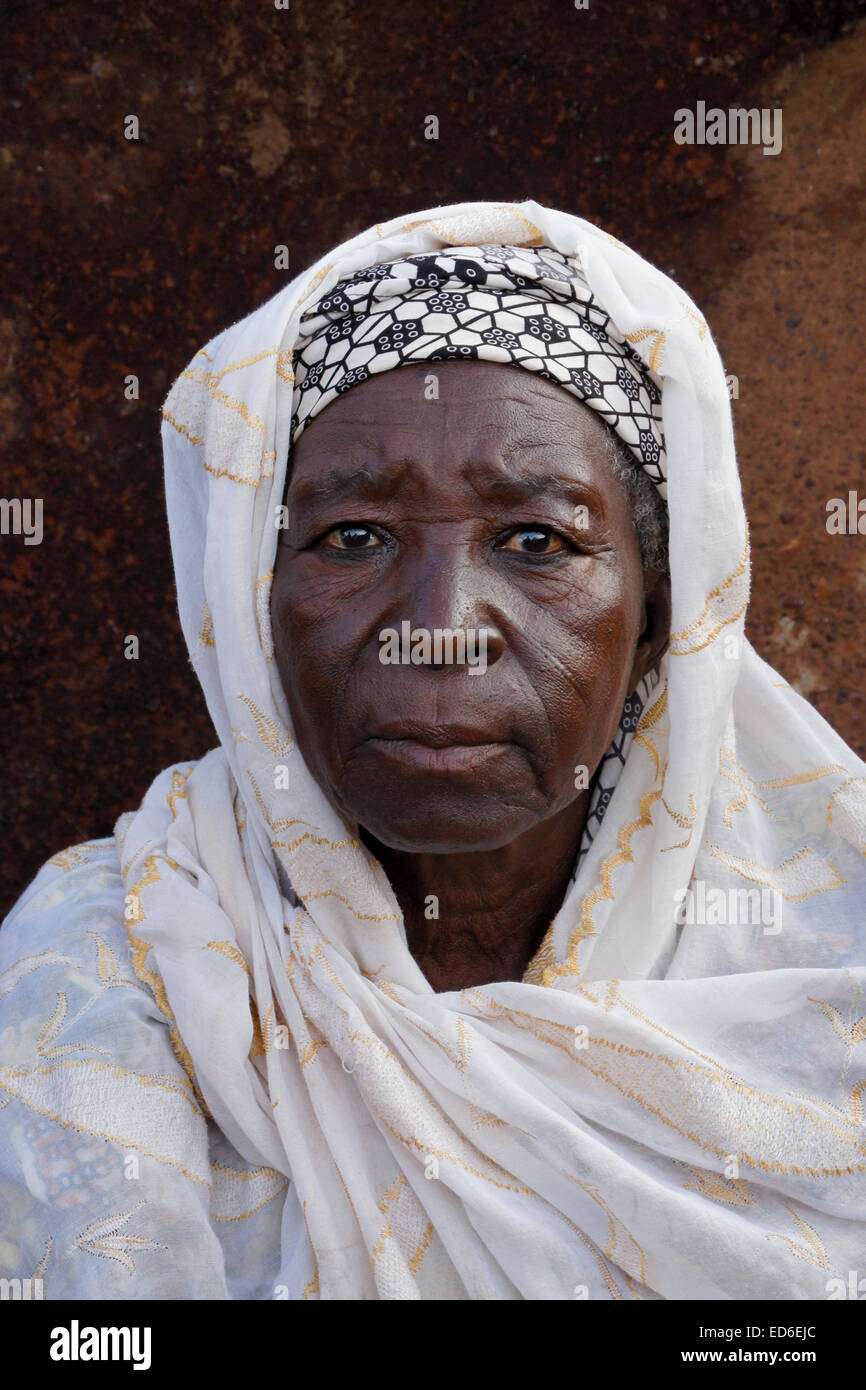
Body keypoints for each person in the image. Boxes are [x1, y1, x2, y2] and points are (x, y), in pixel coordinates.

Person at [1, 200, 864, 1300]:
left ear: (657, 619)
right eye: (352, 537)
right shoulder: (104, 968)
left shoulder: (827, 970)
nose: (440, 623)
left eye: (536, 540)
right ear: (246, 608)